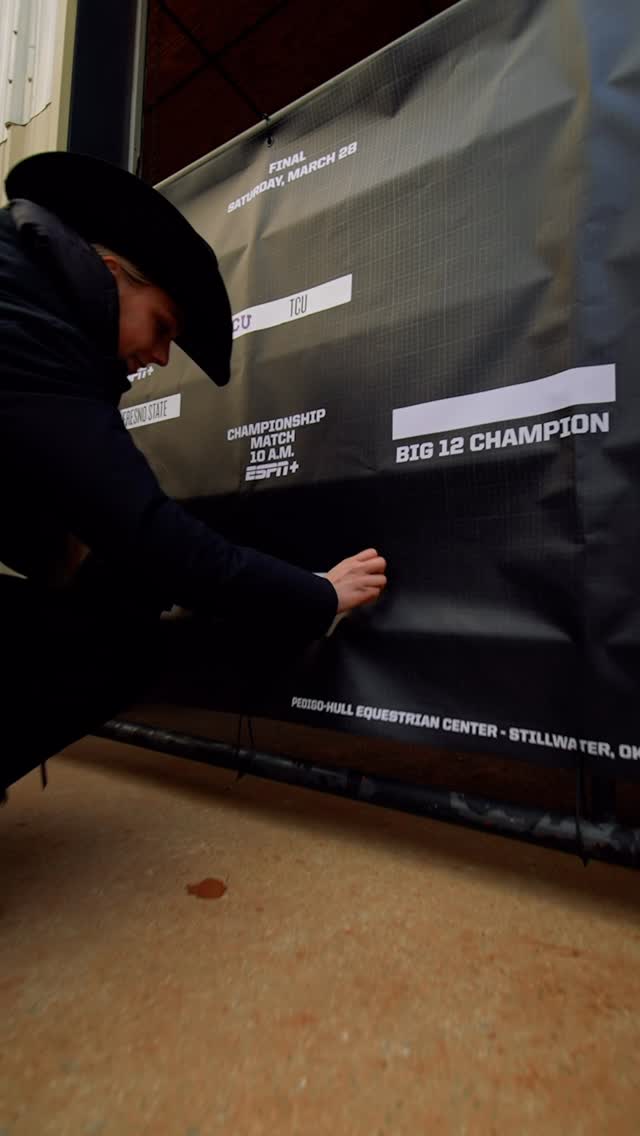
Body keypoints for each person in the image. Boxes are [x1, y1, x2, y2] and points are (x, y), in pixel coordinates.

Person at [0, 151, 386, 794]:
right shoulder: (32, 338)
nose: (158, 356)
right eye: (162, 327)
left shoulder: (23, 296)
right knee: (123, 636)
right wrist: (317, 595)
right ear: (109, 273)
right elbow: (153, 541)